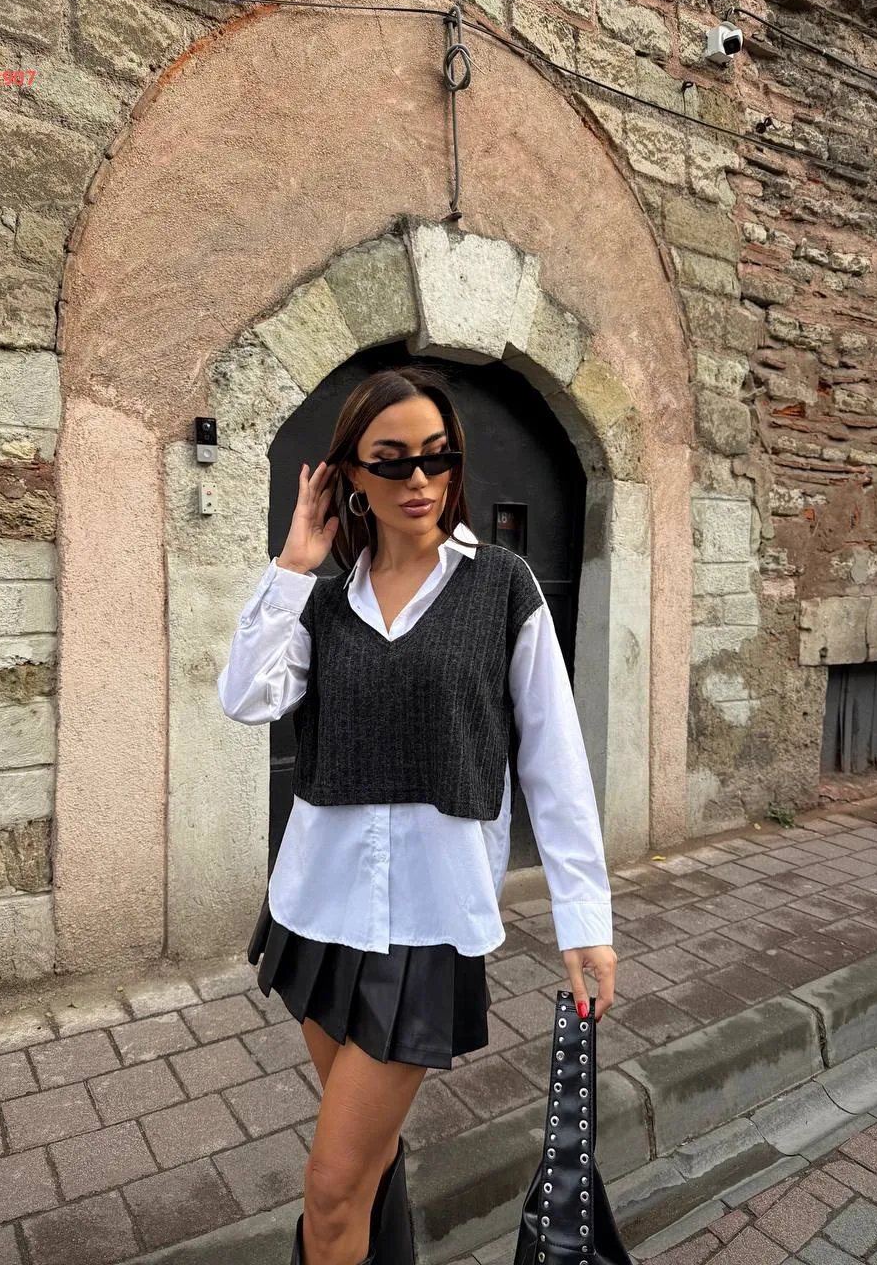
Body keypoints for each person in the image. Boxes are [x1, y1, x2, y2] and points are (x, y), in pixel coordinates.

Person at [217, 365, 617, 1265]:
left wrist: (584, 917)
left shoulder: (502, 585)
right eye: (392, 461)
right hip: (316, 912)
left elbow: (554, 761)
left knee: (330, 1190)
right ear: (351, 475)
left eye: (437, 456)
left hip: (429, 923)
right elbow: (247, 699)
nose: (421, 480)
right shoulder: (324, 599)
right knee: (367, 1166)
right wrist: (293, 566)